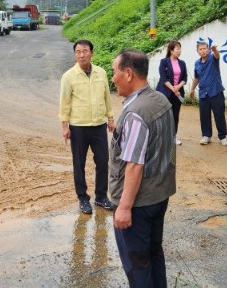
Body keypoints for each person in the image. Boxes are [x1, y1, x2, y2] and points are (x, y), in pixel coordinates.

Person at [109, 49, 177, 287]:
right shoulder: (160, 99)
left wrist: (124, 207)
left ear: (128, 73)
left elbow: (135, 165)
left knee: (137, 264)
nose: (112, 78)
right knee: (153, 253)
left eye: (114, 72)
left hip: (139, 204)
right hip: (160, 195)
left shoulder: (137, 113)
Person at [59, 39, 116, 214]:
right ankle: (83, 198)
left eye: (85, 51)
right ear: (75, 54)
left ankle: (101, 196)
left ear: (92, 53)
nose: (81, 55)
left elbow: (107, 96)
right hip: (78, 126)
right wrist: (65, 126)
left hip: (99, 125)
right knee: (79, 163)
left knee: (102, 161)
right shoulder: (69, 76)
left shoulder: (101, 73)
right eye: (78, 51)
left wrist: (110, 118)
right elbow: (65, 102)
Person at [189, 37, 227, 146]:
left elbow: (217, 55)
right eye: (200, 49)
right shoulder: (197, 64)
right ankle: (206, 136)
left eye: (205, 48)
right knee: (204, 115)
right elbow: (197, 78)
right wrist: (192, 89)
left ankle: (223, 137)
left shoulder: (213, 58)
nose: (203, 51)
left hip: (216, 91)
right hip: (203, 93)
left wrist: (215, 50)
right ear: (198, 51)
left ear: (208, 49)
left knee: (219, 114)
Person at [155, 40, 187, 146]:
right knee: (164, 115)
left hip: (177, 93)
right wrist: (173, 88)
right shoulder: (164, 62)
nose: (179, 51)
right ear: (171, 50)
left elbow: (184, 78)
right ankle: (162, 137)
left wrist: (178, 87)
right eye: (177, 48)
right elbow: (163, 78)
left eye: (180, 48)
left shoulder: (182, 63)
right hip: (165, 92)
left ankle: (173, 136)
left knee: (175, 115)